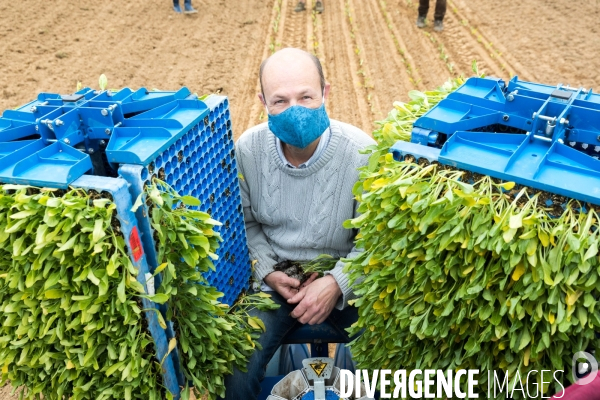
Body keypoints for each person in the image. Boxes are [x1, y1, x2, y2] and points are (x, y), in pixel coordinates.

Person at [221, 47, 375, 400]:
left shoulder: (362, 153)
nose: (295, 110)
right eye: (280, 101)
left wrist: (338, 282)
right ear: (263, 102)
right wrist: (269, 272)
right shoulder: (247, 151)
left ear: (326, 92)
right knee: (235, 366)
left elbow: (377, 241)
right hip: (278, 286)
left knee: (394, 364)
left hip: (349, 288)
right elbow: (245, 224)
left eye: (306, 96)